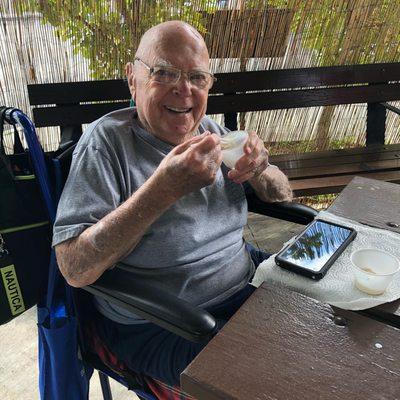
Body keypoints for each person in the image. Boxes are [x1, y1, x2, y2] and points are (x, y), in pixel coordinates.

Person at [53, 20, 293, 387]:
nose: (185, 90)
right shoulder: (107, 144)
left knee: (335, 325)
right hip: (162, 323)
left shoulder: (213, 133)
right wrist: (163, 189)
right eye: (165, 72)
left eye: (198, 77)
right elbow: (74, 267)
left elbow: (283, 195)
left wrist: (260, 169)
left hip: (246, 283)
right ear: (132, 78)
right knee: (276, 384)